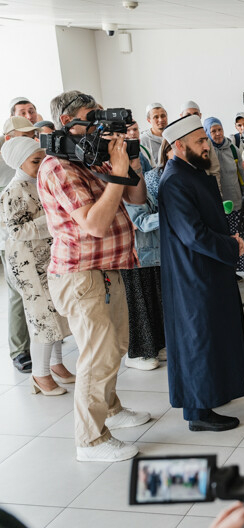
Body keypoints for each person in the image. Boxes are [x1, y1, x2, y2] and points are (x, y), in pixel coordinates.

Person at [38, 90, 150, 462]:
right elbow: (96, 224)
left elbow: (136, 198)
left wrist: (129, 158)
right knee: (96, 355)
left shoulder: (90, 158)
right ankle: (90, 440)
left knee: (114, 346)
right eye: (93, 115)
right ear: (69, 122)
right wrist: (118, 172)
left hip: (107, 269)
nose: (101, 122)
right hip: (80, 275)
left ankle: (112, 411)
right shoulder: (59, 167)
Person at [158, 115, 244, 432]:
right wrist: (231, 246)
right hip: (193, 275)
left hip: (207, 268)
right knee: (198, 338)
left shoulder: (192, 173)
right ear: (179, 145)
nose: (206, 146)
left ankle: (212, 393)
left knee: (212, 335)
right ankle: (198, 412)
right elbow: (194, 235)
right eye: (200, 141)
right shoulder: (175, 181)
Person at [0, 137, 73, 394]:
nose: (42, 163)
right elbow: (17, 231)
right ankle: (39, 375)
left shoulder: (39, 183)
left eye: (43, 157)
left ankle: (56, 365)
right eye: (35, 160)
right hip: (28, 263)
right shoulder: (14, 190)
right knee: (43, 317)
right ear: (19, 162)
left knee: (55, 312)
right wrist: (53, 218)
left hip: (49, 256)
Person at [120, 123, 165, 371]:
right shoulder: (121, 188)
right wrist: (169, 215)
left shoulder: (143, 184)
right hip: (133, 255)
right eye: (131, 162)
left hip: (151, 254)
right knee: (139, 306)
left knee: (154, 301)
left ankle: (156, 345)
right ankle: (138, 353)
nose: (136, 165)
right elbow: (139, 222)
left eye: (138, 161)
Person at [1, 117, 36, 373]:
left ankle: (44, 344)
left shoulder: (32, 156)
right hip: (10, 238)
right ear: (10, 138)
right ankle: (19, 350)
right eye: (26, 134)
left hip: (35, 235)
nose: (32, 138)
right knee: (17, 293)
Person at [204, 117, 244, 273]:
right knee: (223, 236)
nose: (217, 134)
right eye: (213, 131)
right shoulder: (206, 152)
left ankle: (237, 269)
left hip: (235, 200)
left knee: (237, 235)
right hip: (217, 203)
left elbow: (242, 174)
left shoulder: (231, 148)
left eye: (220, 130)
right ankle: (226, 269)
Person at [141, 103, 168, 167]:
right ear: (149, 120)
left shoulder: (173, 135)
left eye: (163, 116)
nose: (160, 120)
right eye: (156, 117)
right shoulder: (143, 140)